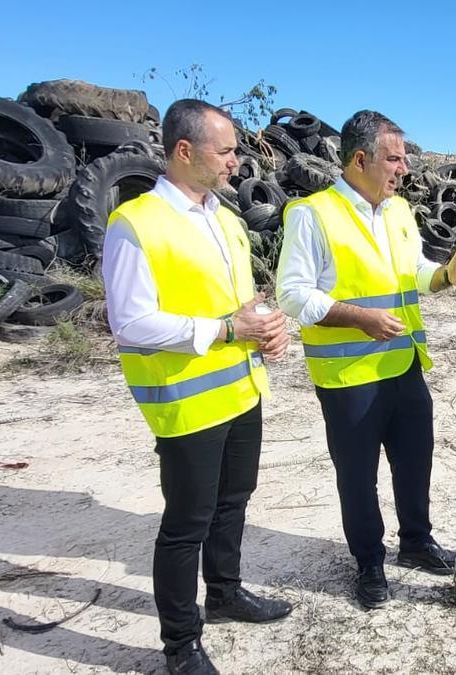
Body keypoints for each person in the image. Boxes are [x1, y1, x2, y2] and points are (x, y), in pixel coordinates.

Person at [102, 99, 292, 675]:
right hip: (186, 402)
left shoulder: (226, 219)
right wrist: (228, 328)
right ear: (185, 151)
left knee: (234, 501)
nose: (237, 160)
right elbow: (130, 322)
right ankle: (181, 645)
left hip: (241, 390)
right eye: (227, 149)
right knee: (186, 524)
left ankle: (227, 592)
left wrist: (266, 328)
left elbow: (240, 302)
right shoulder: (135, 223)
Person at [275, 110, 456, 610]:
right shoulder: (311, 214)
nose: (403, 168)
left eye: (404, 158)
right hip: (348, 377)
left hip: (403, 365)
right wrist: (357, 317)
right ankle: (369, 564)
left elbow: (414, 273)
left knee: (414, 460)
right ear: (360, 159)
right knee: (358, 477)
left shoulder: (399, 212)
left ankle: (416, 542)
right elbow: (293, 296)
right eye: (394, 158)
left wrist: (445, 276)